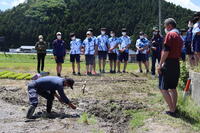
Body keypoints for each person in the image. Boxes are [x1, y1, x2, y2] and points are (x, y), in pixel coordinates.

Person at [157, 18, 183, 117]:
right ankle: (174, 108)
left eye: (165, 26)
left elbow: (166, 51)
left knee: (163, 88)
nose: (165, 28)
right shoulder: (179, 36)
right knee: (173, 88)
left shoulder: (170, 35)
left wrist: (160, 64)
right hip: (176, 62)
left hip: (169, 63)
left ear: (169, 26)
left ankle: (172, 110)